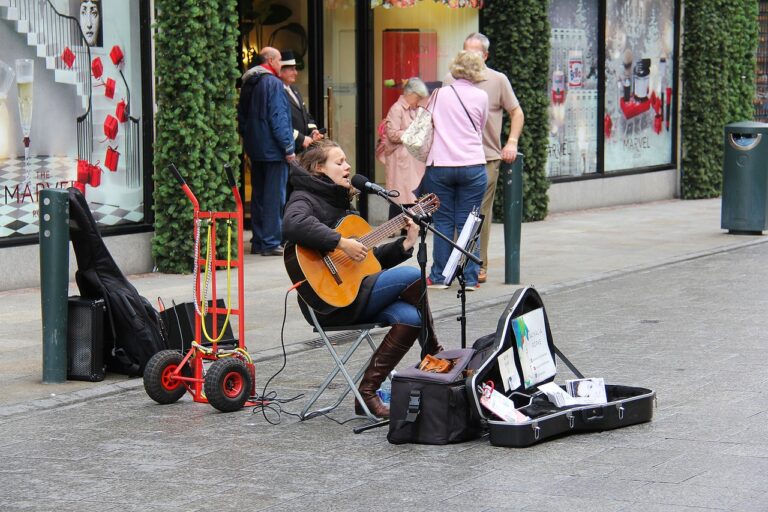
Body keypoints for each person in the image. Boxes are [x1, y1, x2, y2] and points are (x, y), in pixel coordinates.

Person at [282, 140, 442, 418]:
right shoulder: (304, 197)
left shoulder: (341, 201)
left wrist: (406, 244)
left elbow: (366, 264)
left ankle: (367, 394)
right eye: (340, 162)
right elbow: (292, 224)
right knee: (413, 275)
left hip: (355, 292)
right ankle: (433, 354)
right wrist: (341, 242)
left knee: (411, 318)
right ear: (319, 168)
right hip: (326, 303)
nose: (348, 167)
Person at [444, 33, 524, 284]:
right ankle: (453, 266)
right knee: (453, 214)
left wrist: (511, 142)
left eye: (475, 52)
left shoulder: (497, 80)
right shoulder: (450, 80)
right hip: (453, 158)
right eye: (465, 51)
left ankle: (478, 265)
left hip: (486, 157)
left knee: (478, 213)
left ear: (485, 56)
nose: (469, 57)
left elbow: (516, 111)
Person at [423, 50, 488, 290]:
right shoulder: (481, 96)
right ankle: (470, 278)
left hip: (440, 166)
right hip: (472, 165)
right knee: (468, 222)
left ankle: (439, 277)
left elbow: (428, 123)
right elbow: (479, 128)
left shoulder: (439, 94)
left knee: (442, 222)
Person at [238, 47, 295, 256]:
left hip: (256, 147)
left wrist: (250, 138)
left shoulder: (250, 82)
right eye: (280, 60)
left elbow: (242, 117)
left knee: (259, 195)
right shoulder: (273, 83)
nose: (281, 65)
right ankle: (271, 242)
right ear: (270, 60)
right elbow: (278, 117)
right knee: (274, 197)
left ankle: (260, 240)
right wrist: (288, 147)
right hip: (273, 150)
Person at [380, 77, 429, 221]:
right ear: (411, 94)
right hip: (400, 160)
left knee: (412, 194)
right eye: (418, 97)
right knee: (401, 194)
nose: (419, 100)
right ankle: (398, 226)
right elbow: (392, 134)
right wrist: (412, 133)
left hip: (413, 160)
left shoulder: (415, 108)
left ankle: (414, 223)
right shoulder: (397, 109)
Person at [278, 50, 324, 154]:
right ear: (280, 71)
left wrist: (313, 131)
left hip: (302, 148)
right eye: (292, 69)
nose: (296, 73)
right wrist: (301, 138)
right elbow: (281, 123)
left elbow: (305, 114)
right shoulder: (277, 92)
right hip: (289, 148)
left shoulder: (294, 89)